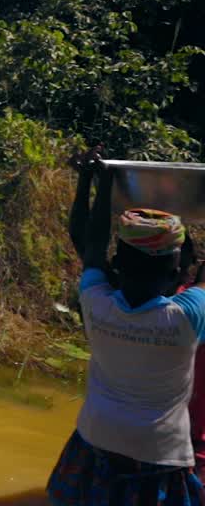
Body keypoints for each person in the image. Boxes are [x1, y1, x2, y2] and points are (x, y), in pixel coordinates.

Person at [48, 150, 204, 505]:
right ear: (176, 274)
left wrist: (99, 181)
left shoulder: (97, 302)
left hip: (94, 443)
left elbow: (90, 246)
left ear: (117, 264)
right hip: (158, 456)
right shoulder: (188, 314)